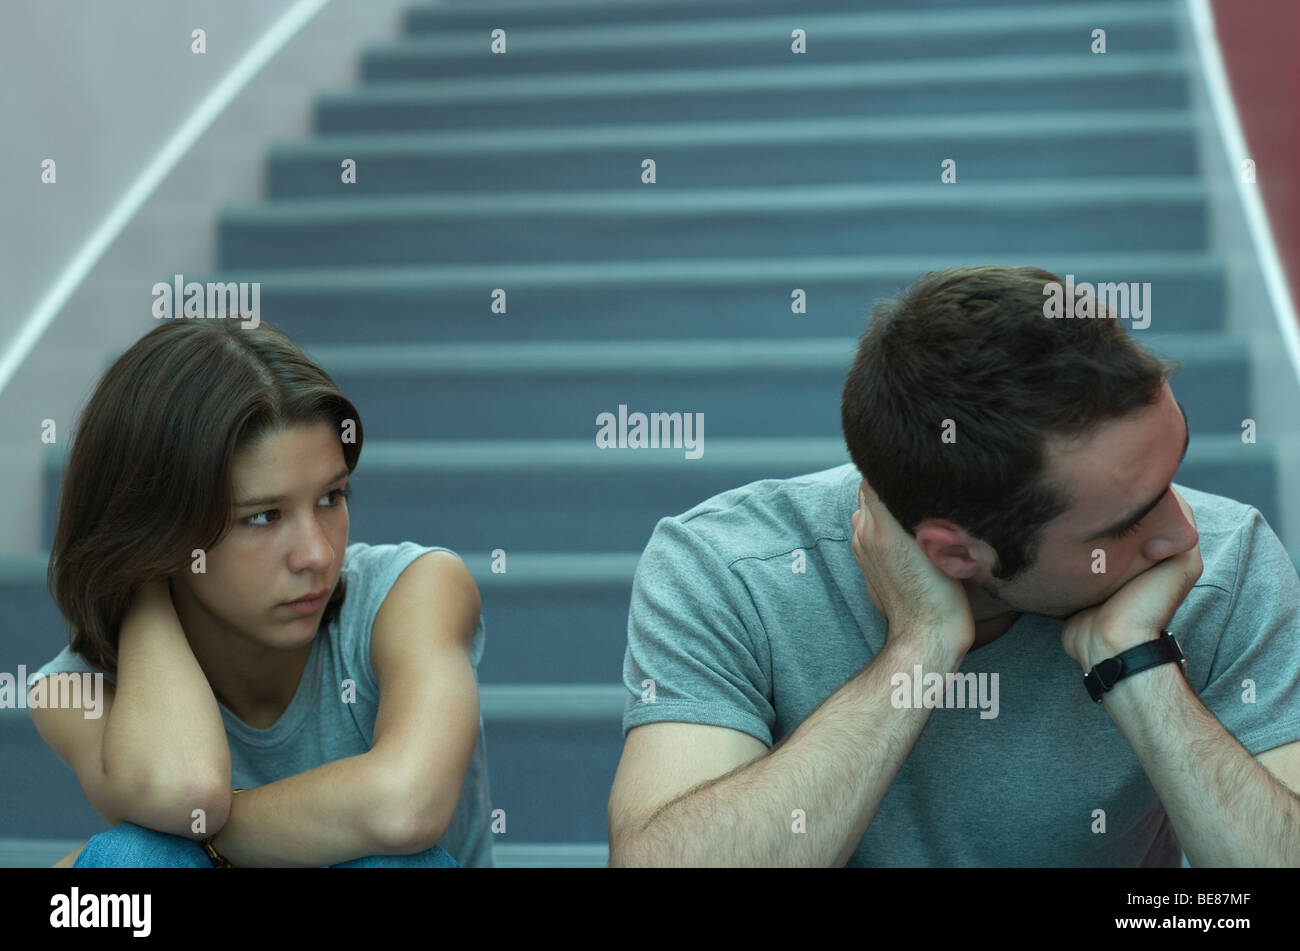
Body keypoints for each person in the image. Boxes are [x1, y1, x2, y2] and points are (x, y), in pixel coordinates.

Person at [608, 265, 1300, 867]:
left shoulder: (1228, 558)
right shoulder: (729, 568)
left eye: (1171, 476)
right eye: (1124, 524)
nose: (1182, 538)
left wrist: (1136, 663)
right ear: (955, 553)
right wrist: (919, 648)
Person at [28, 316, 494, 867]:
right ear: (163, 530)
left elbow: (404, 807)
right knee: (131, 860)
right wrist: (143, 586)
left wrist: (206, 841)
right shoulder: (74, 690)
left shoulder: (413, 590)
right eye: (264, 516)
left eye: (331, 497)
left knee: (392, 859)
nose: (317, 554)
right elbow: (188, 790)